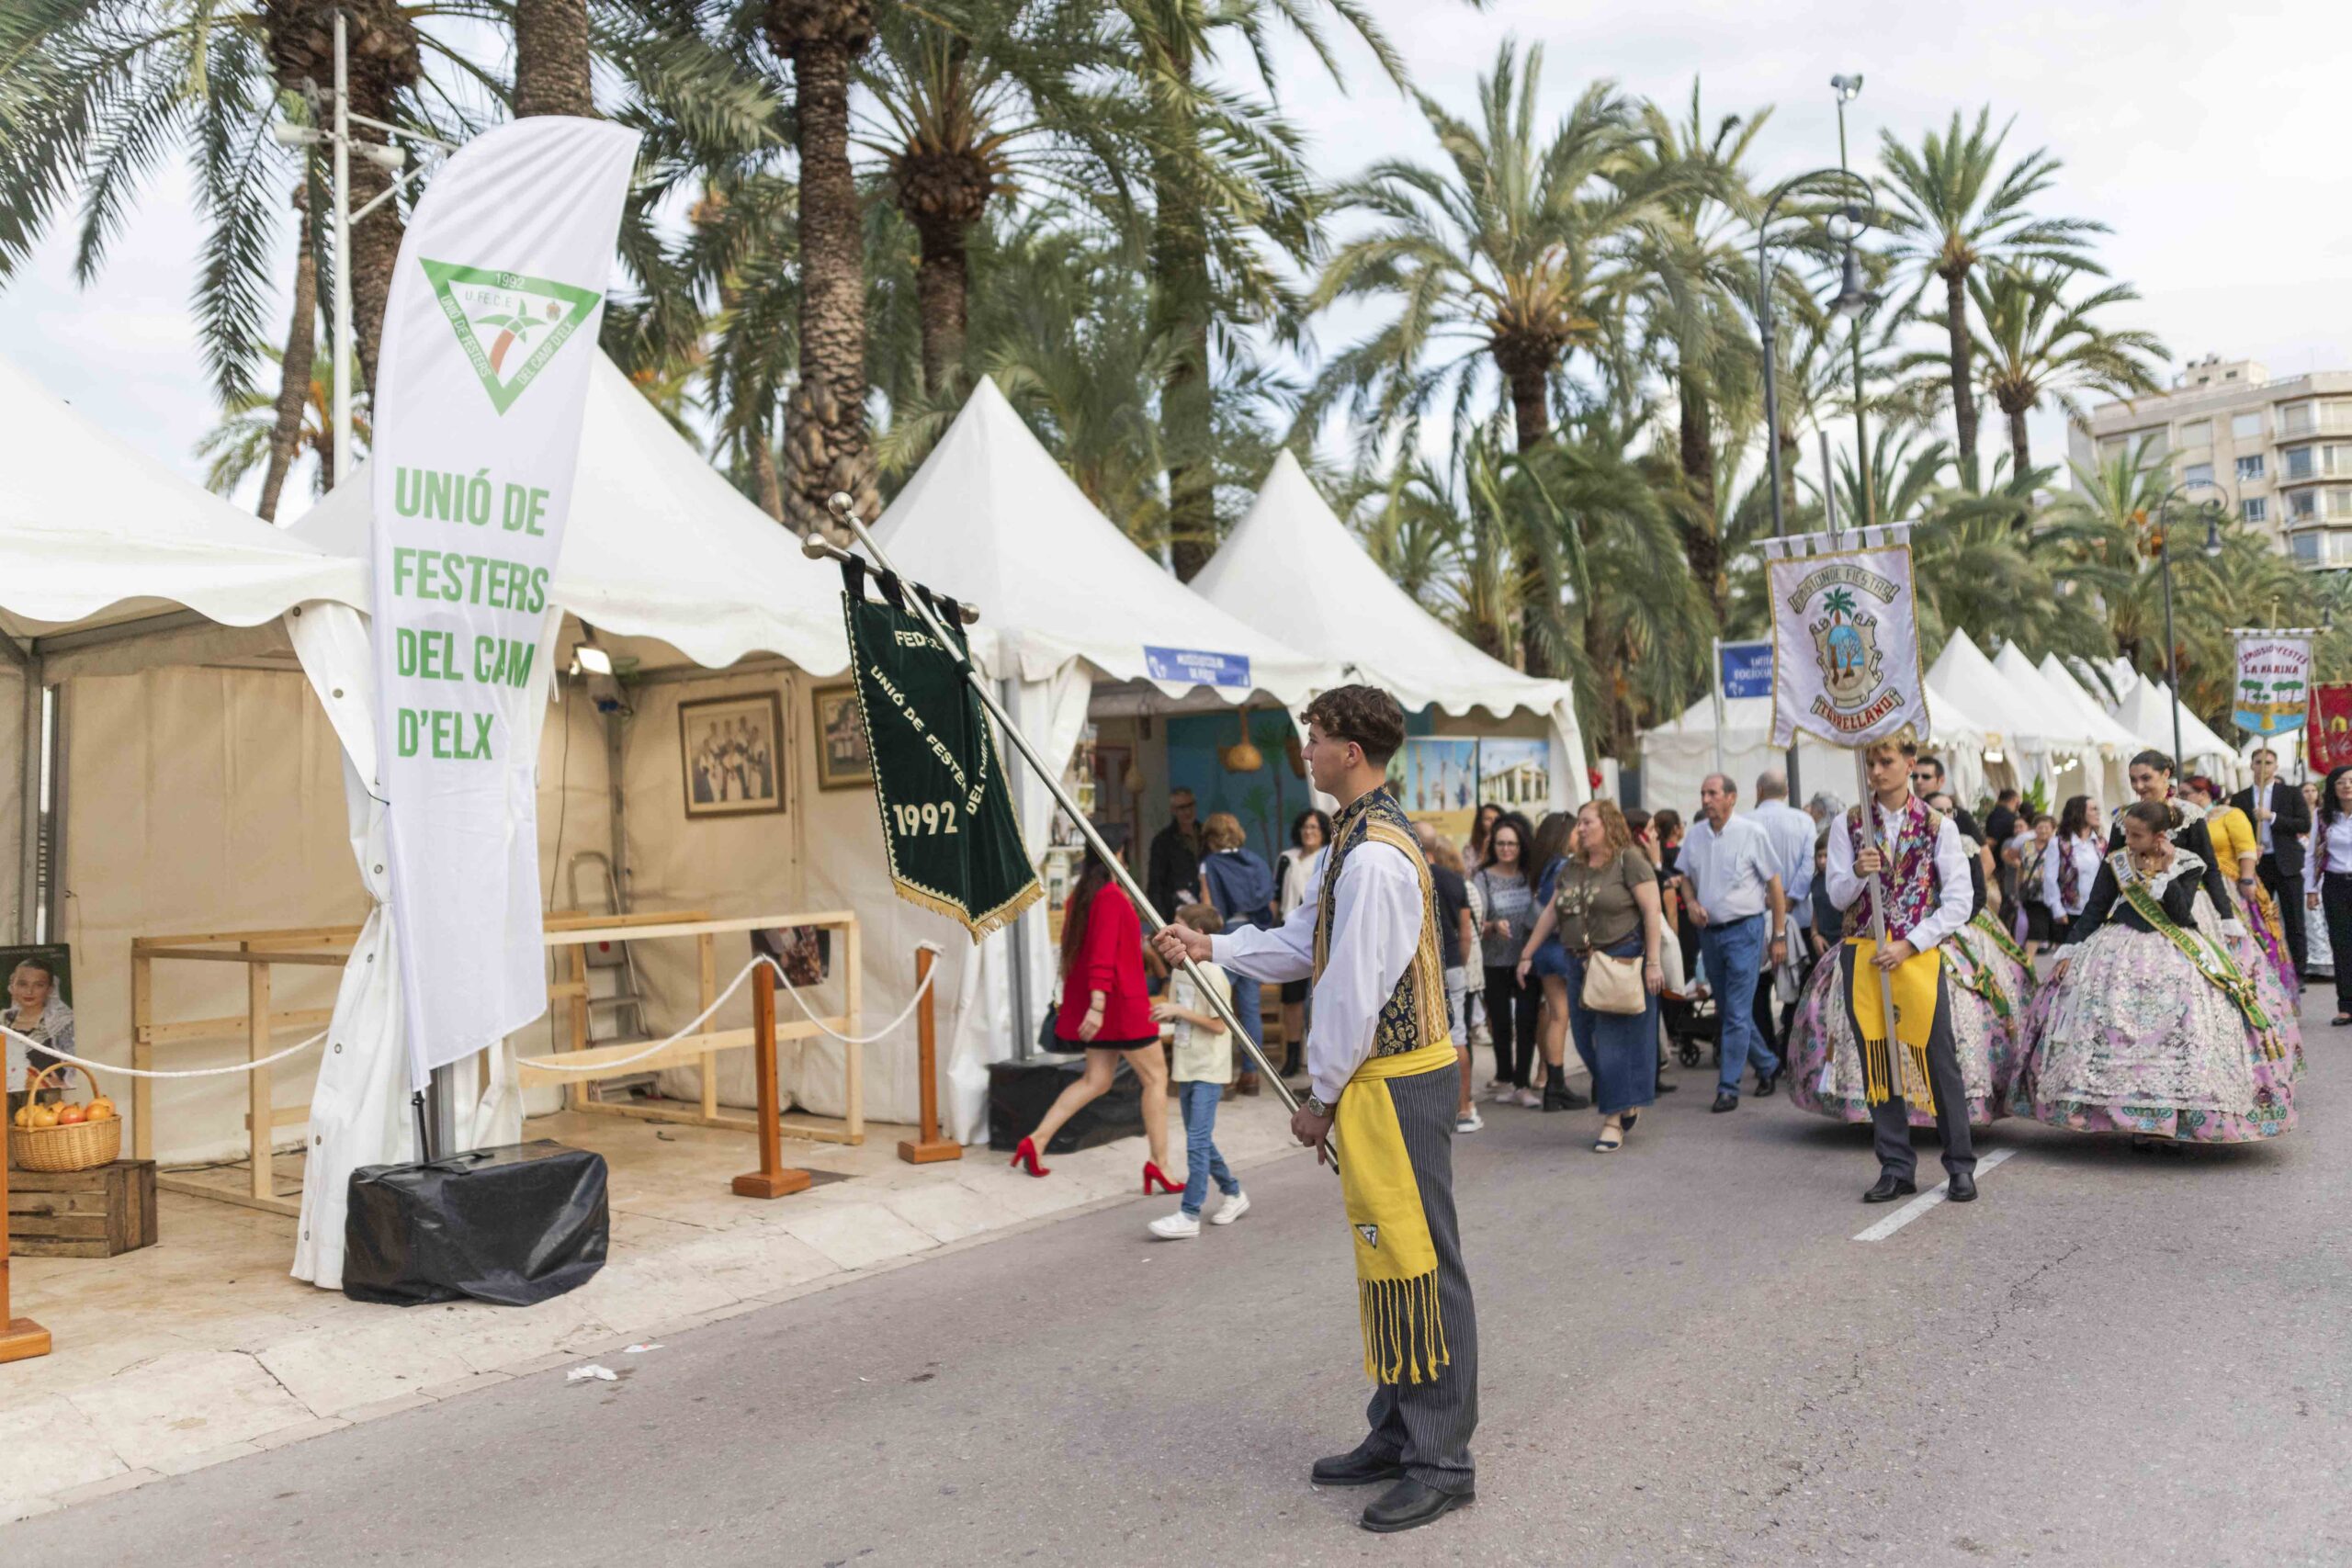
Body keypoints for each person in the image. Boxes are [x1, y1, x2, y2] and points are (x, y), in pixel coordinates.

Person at [1154, 684, 1479, 1535]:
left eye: (1316, 736)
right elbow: (1307, 942)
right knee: (1387, 1248)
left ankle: (1443, 1459)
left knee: (1421, 1258)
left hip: (1399, 1078)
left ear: (1351, 750)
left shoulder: (1373, 853)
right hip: (1385, 1078)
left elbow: (1350, 990)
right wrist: (1214, 945)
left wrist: (1321, 1097)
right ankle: (1399, 1429)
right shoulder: (1354, 837)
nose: (1305, 750)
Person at [2016, 799, 2295, 1146]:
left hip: (2174, 949)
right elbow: (2096, 909)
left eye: (2137, 835)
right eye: (2127, 834)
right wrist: (2070, 950)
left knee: (2181, 1025)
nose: (2128, 841)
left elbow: (2179, 914)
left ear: (2160, 836)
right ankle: (2130, 1117)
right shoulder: (2118, 861)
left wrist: (2165, 871)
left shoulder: (2187, 863)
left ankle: (2173, 1119)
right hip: (2118, 948)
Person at [1804, 736, 1984, 1202]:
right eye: (1871, 763)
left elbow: (1959, 900)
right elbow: (1836, 897)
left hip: (1916, 953)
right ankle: (1896, 1166)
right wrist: (1858, 873)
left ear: (1909, 764)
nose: (1877, 771)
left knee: (1938, 1057)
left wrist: (1911, 943)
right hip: (1863, 950)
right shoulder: (1848, 824)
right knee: (1877, 1060)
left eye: (1886, 761)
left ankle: (1960, 1164)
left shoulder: (1939, 826)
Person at [1010, 840, 1177, 1193]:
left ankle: (1035, 1141)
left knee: (1096, 1080)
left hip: (1106, 1005)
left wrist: (1096, 1003)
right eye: (1123, 854)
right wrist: (1099, 1004)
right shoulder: (1110, 897)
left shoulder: (1082, 896)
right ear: (1114, 855)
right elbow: (1103, 954)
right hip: (1121, 1004)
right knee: (1156, 1078)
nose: (1126, 861)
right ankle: (1159, 1165)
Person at [1518, 799, 1665, 1153]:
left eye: (1587, 822)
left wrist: (1653, 963)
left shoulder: (1629, 860)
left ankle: (1612, 1120)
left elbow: (1652, 910)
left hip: (1618, 960)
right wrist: (1527, 954)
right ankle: (1626, 1098)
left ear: (1607, 824)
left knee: (1613, 1044)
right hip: (1577, 964)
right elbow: (1552, 912)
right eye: (1579, 824)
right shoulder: (1572, 867)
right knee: (1584, 1042)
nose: (1580, 829)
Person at [1679, 774, 1790, 1113]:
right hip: (1710, 933)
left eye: (1713, 793)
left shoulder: (1751, 833)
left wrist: (1779, 935)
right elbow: (1684, 878)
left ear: (1731, 797)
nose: (1706, 799)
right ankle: (1768, 1064)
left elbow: (1775, 886)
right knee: (1729, 1011)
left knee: (1737, 1013)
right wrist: (1691, 903)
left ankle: (1728, 1088)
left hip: (1745, 931)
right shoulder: (1695, 835)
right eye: (1703, 793)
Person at [1146, 903, 1248, 1239]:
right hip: (1187, 1064)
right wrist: (1163, 1021)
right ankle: (1233, 1192)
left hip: (1208, 1067)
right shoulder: (1179, 969)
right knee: (1199, 1139)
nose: (1169, 930)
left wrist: (1177, 1011)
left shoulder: (1213, 973)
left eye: (1177, 925)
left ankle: (1190, 1214)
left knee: (1197, 1141)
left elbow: (1220, 1025)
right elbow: (1182, 1016)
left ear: (1197, 933)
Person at [2187, 774, 2298, 1003]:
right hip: (2199, 886)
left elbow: (2246, 848)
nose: (2181, 798)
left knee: (2242, 936)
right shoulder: (2187, 819)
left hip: (2230, 884)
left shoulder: (2230, 814)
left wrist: (2247, 880)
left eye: (2185, 794)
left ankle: (2257, 991)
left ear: (2203, 794)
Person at [1198, 811, 1279, 1095]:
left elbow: (1208, 907)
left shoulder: (1210, 864)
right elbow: (1270, 904)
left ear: (1210, 837)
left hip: (1225, 937)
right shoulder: (1255, 861)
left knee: (1218, 1007)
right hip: (1253, 935)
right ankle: (1250, 1074)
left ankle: (1220, 1077)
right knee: (1250, 1008)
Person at [1472, 812, 1542, 1107]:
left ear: (1521, 845)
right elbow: (1476, 920)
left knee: (1526, 1021)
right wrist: (1492, 926)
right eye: (1500, 843)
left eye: (1512, 843)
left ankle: (1522, 1084)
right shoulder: (1483, 877)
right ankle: (1505, 1075)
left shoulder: (1530, 876)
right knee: (1500, 1023)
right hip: (1494, 961)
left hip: (1527, 960)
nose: (1506, 849)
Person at [1522, 811, 1590, 1112]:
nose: (1580, 835)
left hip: (1544, 950)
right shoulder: (1566, 867)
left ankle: (1554, 1085)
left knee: (1556, 1016)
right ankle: (1592, 1081)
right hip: (1566, 948)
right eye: (1577, 830)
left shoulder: (1544, 867)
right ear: (1565, 835)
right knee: (1586, 1015)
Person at [1418, 824, 1483, 1133]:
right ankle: (1464, 1108)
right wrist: (1460, 961)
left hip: (1420, 968)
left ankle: (1429, 1111)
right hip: (1453, 964)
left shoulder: (1409, 877)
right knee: (1457, 1037)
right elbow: (1465, 931)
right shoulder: (1455, 880)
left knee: (1424, 1039)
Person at [1749, 770, 1816, 1057]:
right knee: (1797, 985)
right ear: (1786, 791)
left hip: (1758, 916)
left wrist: (1768, 899)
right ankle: (1790, 1049)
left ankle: (1767, 1050)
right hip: (1798, 917)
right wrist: (1790, 898)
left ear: (1759, 791)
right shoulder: (1804, 821)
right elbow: (1810, 864)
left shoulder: (1745, 823)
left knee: (1758, 988)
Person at [2233, 748, 2310, 973]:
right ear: (2251, 765)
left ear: (2276, 766)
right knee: (2258, 918)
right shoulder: (2240, 798)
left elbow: (2304, 823)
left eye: (2268, 762)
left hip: (2287, 863)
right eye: (2258, 762)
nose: (2263, 767)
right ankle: (2264, 969)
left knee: (2294, 921)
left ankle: (2299, 971)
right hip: (2257, 865)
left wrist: (2272, 817)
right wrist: (2249, 846)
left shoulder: (2290, 793)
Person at [1277, 809, 1335, 1076]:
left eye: (1314, 827)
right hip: (1288, 928)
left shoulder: (1327, 856)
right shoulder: (1287, 858)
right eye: (1305, 826)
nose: (1308, 831)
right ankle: (1292, 1056)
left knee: (1317, 1000)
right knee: (1291, 1000)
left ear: (1323, 831)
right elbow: (1276, 894)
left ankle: (1315, 1061)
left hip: (1316, 933)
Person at [2305, 764, 2352, 1025]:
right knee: (2342, 945)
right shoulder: (2323, 816)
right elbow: (2312, 855)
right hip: (2335, 884)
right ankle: (2346, 1005)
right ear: (2333, 788)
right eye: (2341, 782)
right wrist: (2311, 889)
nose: (2347, 786)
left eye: (2351, 781)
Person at [3, 955, 74, 1116]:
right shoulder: (3, 1021)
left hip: (46, 1105)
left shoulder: (62, 1023)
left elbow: (74, 1070)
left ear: (49, 989)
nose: (29, 991)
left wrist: (62, 1083)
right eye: (23, 984)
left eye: (39, 985)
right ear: (12, 986)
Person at [2043, 795, 2104, 942]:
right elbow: (2050, 878)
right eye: (2093, 809)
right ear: (2079, 812)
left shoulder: (2100, 843)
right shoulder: (2059, 843)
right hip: (2071, 912)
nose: (2098, 813)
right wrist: (2057, 909)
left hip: (2097, 912)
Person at [1147, 788, 1204, 928]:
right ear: (1173, 810)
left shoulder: (1206, 834)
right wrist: (1161, 920)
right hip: (1178, 911)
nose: (1187, 811)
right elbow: (1155, 883)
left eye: (1190, 805)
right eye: (1182, 808)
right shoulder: (1163, 841)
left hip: (1205, 908)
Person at [2018, 813, 2058, 963]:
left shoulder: (2058, 845)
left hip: (2053, 893)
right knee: (2035, 926)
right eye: (2040, 827)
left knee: (2054, 928)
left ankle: (2061, 964)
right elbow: (2022, 867)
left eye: (2047, 828)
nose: (2043, 831)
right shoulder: (2027, 846)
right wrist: (2019, 887)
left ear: (2053, 829)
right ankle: (2028, 962)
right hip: (2032, 894)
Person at [1465, 802, 1503, 872]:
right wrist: (1483, 854)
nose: (1493, 822)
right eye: (1488, 819)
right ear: (1480, 822)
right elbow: (1467, 875)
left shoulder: (1507, 845)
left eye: (1497, 819)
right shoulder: (1470, 847)